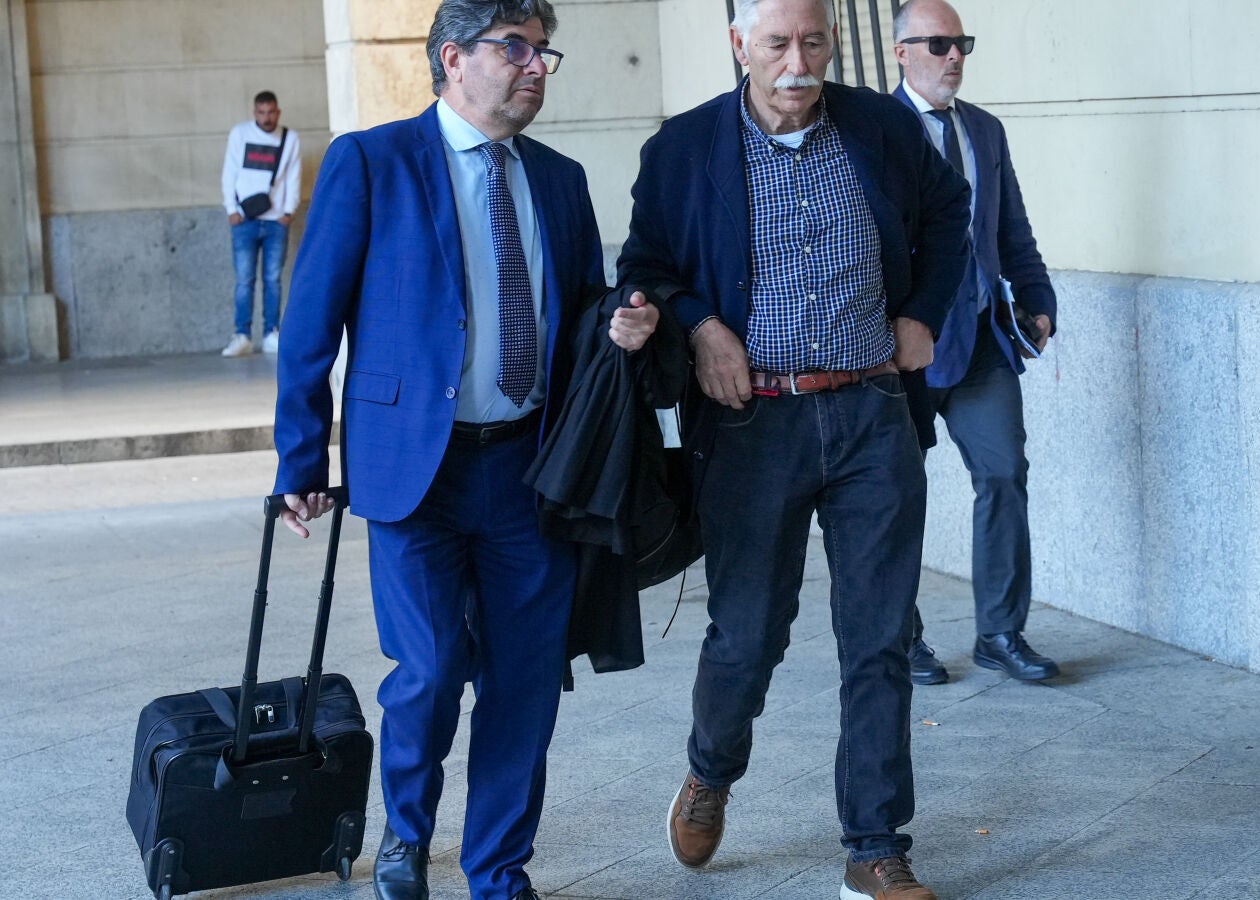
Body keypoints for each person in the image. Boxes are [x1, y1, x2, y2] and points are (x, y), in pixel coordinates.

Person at [270, 2, 658, 899]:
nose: (535, 66)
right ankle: (406, 833)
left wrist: (621, 320)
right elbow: (311, 321)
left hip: (530, 470)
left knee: (526, 679)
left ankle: (498, 869)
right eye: (514, 48)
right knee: (432, 667)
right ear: (453, 58)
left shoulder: (558, 179)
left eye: (543, 51)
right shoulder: (374, 162)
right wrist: (301, 459)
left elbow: (579, 310)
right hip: (417, 469)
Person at [617, 0, 970, 896]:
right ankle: (709, 771)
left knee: (879, 636)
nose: (797, 62)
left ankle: (875, 846)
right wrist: (701, 325)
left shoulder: (881, 127)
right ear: (740, 44)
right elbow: (645, 265)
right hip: (751, 424)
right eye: (776, 43)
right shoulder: (684, 148)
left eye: (813, 40)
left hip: (871, 412)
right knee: (749, 634)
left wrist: (923, 312)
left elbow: (949, 213)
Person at [892, 0, 1060, 685]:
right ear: (901, 52)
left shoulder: (984, 129)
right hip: (901, 350)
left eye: (961, 42)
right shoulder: (874, 130)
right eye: (937, 44)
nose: (953, 55)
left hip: (983, 340)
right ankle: (898, 639)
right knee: (893, 494)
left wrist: (1039, 299)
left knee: (1003, 475)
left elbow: (1010, 226)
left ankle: (1000, 632)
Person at [220, 90, 301, 357]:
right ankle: (242, 335)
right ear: (255, 112)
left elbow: (293, 175)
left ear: (278, 112)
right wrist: (231, 209)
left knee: (273, 279)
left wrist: (288, 211)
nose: (267, 118)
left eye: (271, 112)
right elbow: (230, 172)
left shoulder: (289, 138)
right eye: (262, 112)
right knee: (244, 280)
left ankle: (271, 333)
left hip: (276, 220)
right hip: (245, 219)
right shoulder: (240, 134)